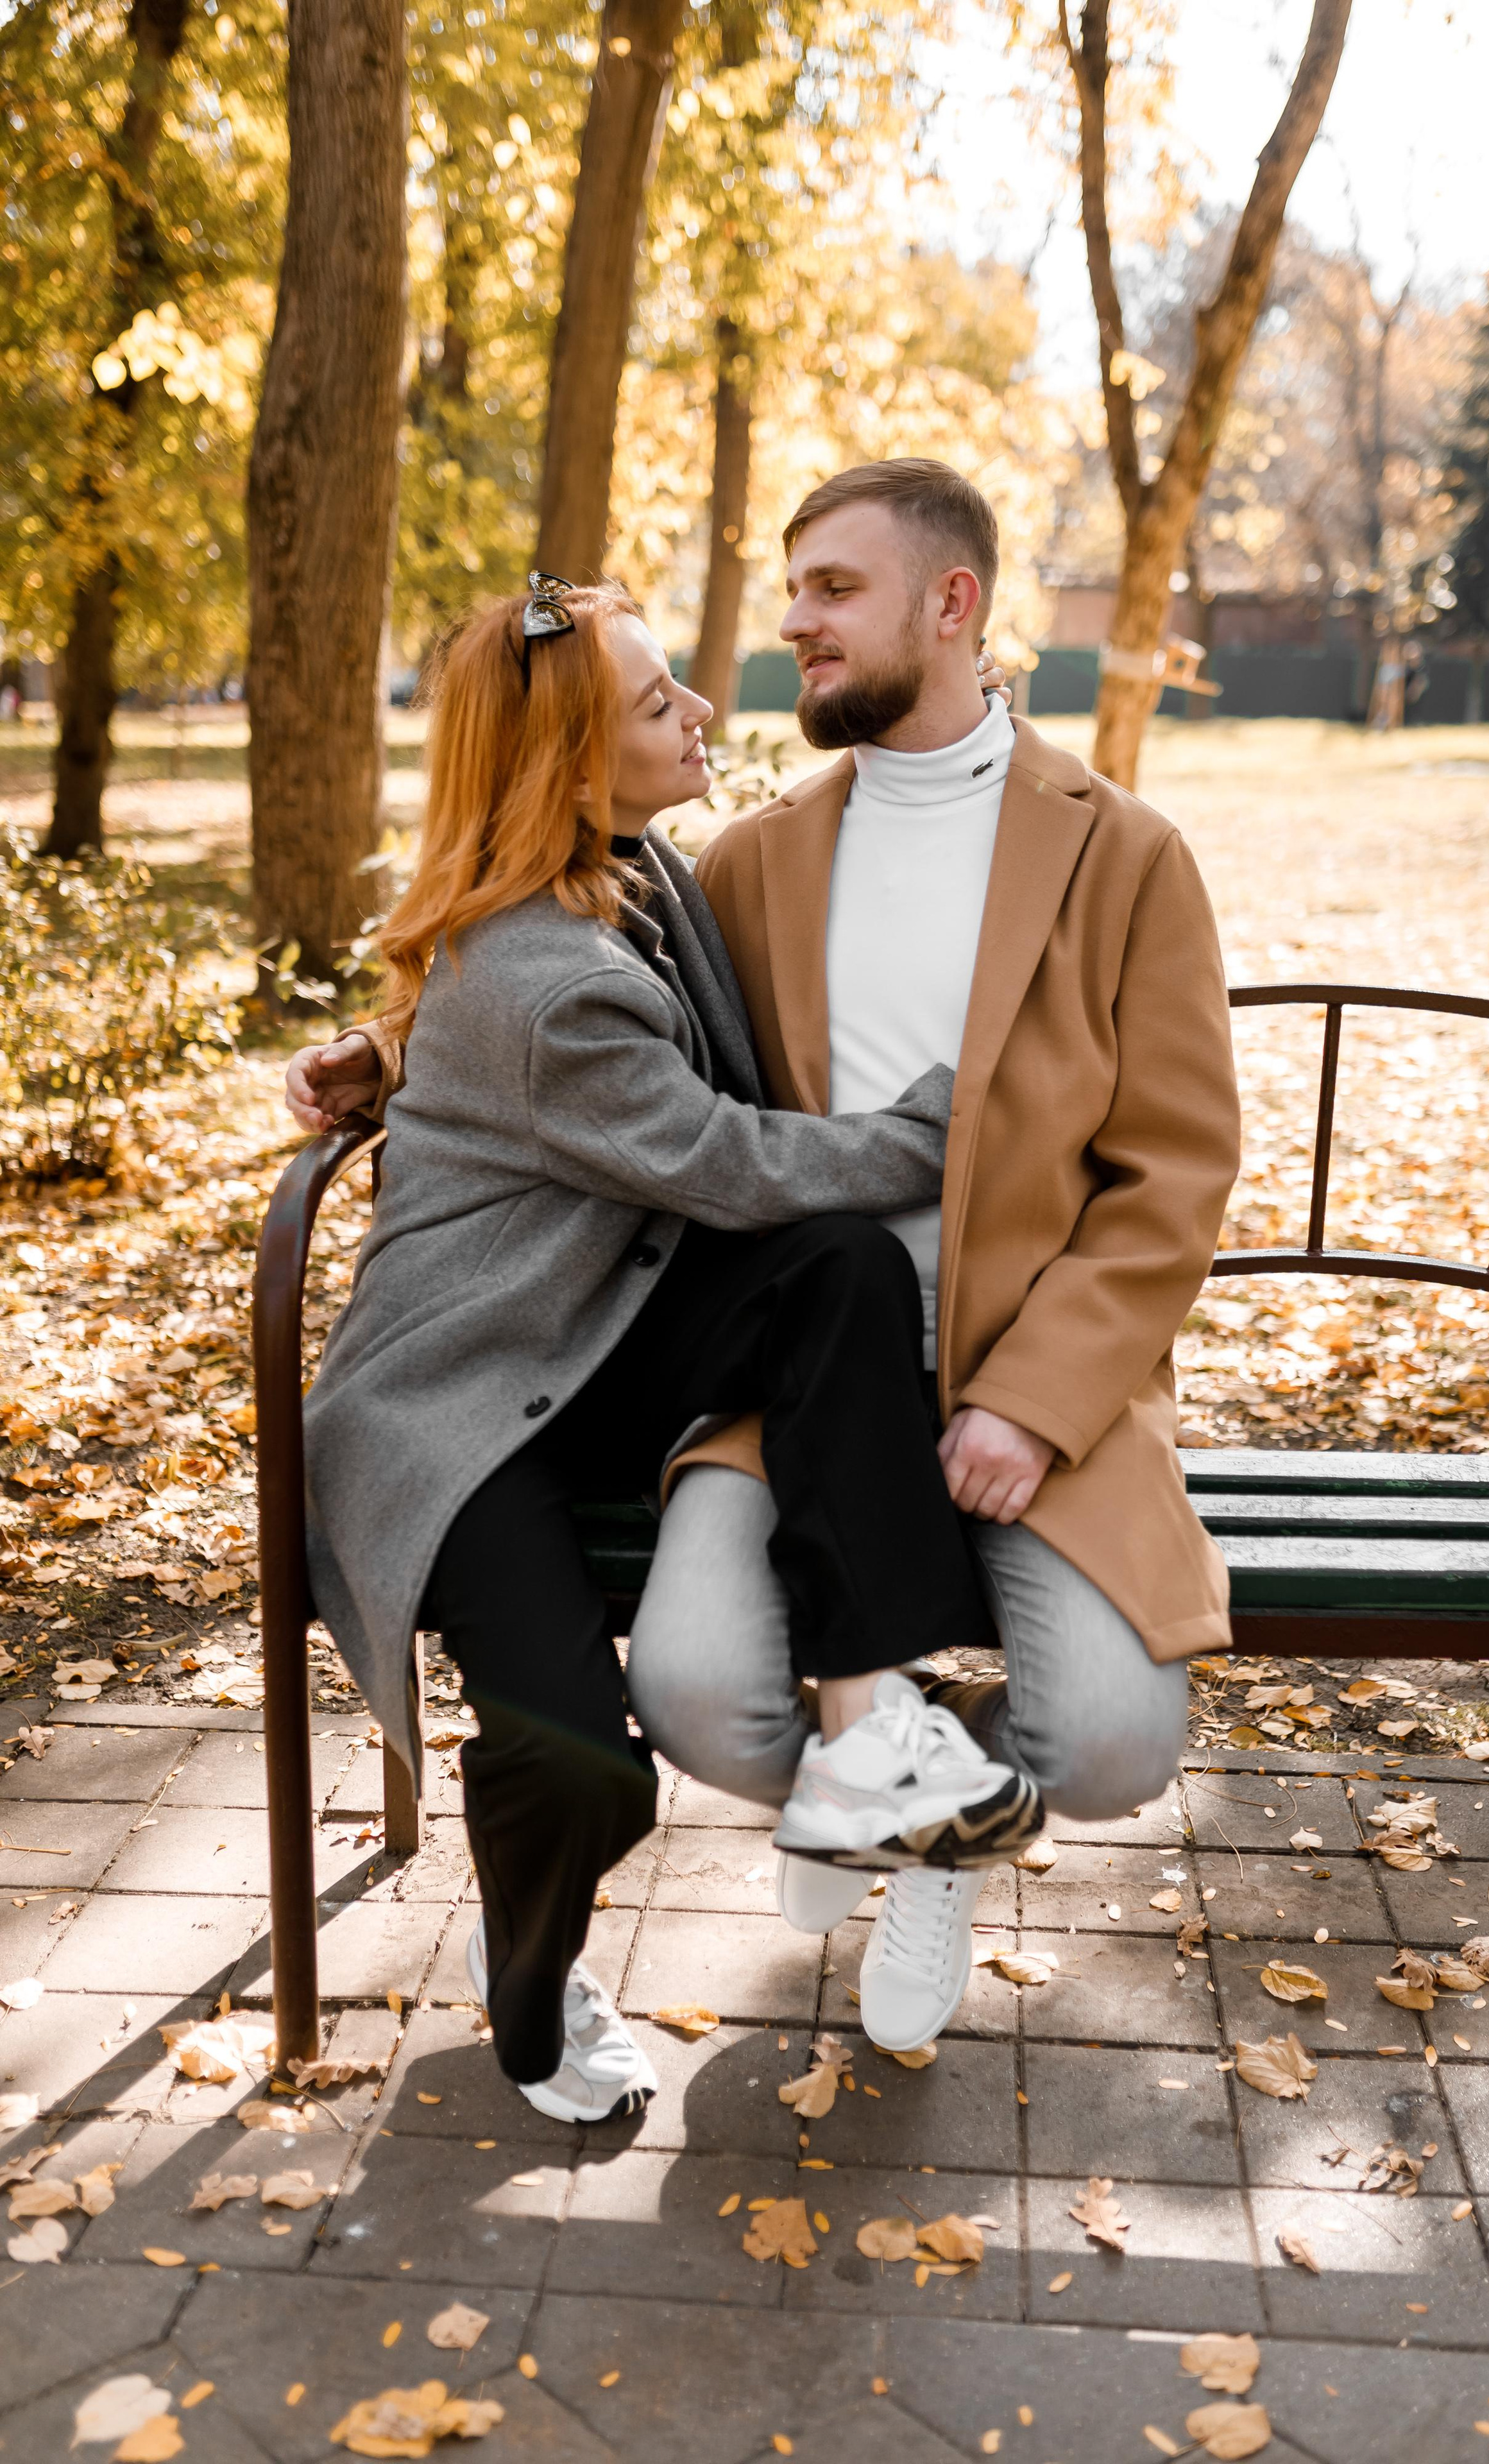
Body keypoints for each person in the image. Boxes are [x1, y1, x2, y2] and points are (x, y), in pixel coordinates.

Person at [298, 578, 1044, 2130]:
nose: (702, 710)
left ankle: (870, 1721)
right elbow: (728, 1165)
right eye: (656, 704)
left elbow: (490, 1013)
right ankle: (533, 1986)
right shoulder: (544, 977)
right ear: (571, 769)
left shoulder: (628, 871)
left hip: (590, 1331)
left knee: (835, 1275)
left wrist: (389, 1049)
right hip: (460, 1406)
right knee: (583, 1760)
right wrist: (940, 1123)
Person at [618, 459, 1241, 2053]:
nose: (793, 620)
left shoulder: (1123, 857)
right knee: (692, 1692)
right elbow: (569, 972)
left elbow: (1172, 1170)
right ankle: (904, 1776)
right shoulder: (753, 858)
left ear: (949, 605)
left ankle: (932, 1837)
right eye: (794, 587)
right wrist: (385, 1053)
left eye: (832, 588)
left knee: (1108, 1744)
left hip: (1038, 1381)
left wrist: (1034, 1401)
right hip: (795, 1371)